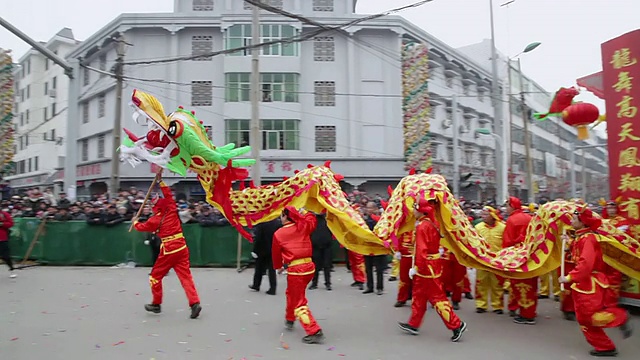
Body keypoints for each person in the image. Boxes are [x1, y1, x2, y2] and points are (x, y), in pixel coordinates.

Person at [559, 205, 633, 357]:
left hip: (590, 283)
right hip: (583, 284)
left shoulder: (589, 239)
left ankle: (620, 317)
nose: (571, 221)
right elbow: (577, 251)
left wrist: (569, 277)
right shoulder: (581, 237)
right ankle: (604, 346)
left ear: (583, 222)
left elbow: (585, 264)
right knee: (584, 319)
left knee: (589, 317)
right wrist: (568, 242)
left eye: (574, 218)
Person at [132, 170, 202, 319]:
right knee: (186, 277)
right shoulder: (171, 209)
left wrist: (135, 222)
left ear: (156, 207)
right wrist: (161, 182)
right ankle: (194, 303)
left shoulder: (154, 220)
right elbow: (169, 195)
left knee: (155, 277)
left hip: (169, 249)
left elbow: (141, 227)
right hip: (182, 247)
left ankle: (156, 304)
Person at [398, 199, 467, 342]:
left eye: (415, 209)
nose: (413, 211)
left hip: (426, 268)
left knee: (437, 298)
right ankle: (414, 324)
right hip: (432, 265)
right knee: (418, 295)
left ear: (421, 210)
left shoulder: (422, 226)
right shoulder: (431, 222)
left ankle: (456, 325)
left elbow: (422, 250)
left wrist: (417, 267)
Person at [272, 206, 324, 344]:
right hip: (309, 267)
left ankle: (314, 330)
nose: (280, 218)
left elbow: (276, 254)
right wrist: (304, 210)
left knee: (299, 301)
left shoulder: (279, 233)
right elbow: (312, 218)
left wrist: (278, 267)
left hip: (296, 270)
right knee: (291, 293)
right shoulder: (303, 226)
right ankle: (290, 318)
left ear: (285, 217)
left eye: (282, 215)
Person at [503, 197, 537, 325]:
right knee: (531, 285)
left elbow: (508, 240)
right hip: (531, 255)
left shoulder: (512, 220)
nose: (506, 209)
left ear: (512, 206)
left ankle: (527, 315)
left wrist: (504, 256)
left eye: (507, 206)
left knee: (520, 285)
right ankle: (530, 310)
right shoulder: (529, 218)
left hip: (517, 256)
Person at [474, 206, 506, 314]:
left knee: (497, 284)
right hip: (482, 259)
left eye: (485, 214)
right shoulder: (478, 227)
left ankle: (497, 306)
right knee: (481, 282)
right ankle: (481, 305)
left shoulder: (502, 227)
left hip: (497, 260)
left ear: (492, 216)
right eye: (482, 214)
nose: (483, 216)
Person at [249, 218, 281, 295]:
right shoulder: (277, 223)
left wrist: (255, 250)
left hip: (262, 249)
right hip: (273, 248)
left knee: (258, 268)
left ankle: (256, 285)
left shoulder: (262, 223)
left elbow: (258, 238)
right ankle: (273, 288)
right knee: (271, 270)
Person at [363, 201, 385, 295]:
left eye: (370, 208)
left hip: (378, 247)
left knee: (379, 269)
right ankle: (369, 286)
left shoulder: (381, 219)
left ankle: (379, 287)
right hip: (368, 247)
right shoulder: (364, 220)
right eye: (367, 208)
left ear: (375, 209)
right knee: (368, 268)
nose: (369, 210)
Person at [310, 212, 333, 291]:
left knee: (326, 265)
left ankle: (327, 283)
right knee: (316, 266)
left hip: (326, 246)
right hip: (316, 246)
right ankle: (314, 282)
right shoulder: (313, 220)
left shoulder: (328, 220)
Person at [393, 230, 415, 307]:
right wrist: (398, 250)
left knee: (418, 279)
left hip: (418, 256)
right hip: (405, 256)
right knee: (404, 278)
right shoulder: (404, 226)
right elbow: (398, 237)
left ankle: (417, 300)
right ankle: (402, 298)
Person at [0, 209, 16, 278]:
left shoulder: (4, 214)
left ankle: (12, 269)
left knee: (5, 256)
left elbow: (11, 223)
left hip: (2, 238)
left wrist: (2, 224)